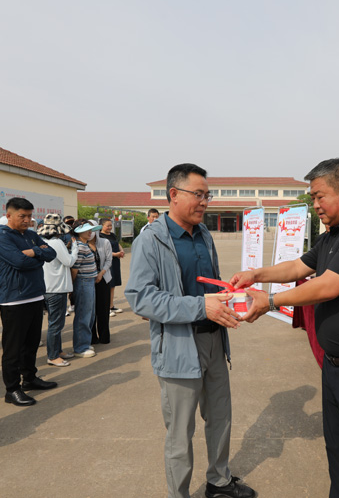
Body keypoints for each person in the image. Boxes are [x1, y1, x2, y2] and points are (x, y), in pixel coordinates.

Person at [230, 158, 339, 497]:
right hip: (338, 367)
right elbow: (298, 266)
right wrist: (256, 274)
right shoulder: (333, 236)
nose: (315, 205)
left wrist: (270, 301)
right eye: (312, 198)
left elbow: (327, 287)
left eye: (319, 196)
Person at [126, 164, 256, 498]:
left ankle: (219, 481)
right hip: (178, 346)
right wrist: (201, 307)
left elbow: (206, 286)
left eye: (207, 195)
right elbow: (140, 298)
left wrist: (229, 294)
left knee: (220, 417)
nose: (204, 202)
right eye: (198, 194)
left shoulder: (204, 235)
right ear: (173, 194)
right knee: (180, 430)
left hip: (214, 341)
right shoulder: (151, 240)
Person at [0, 197, 57, 407]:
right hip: (14, 300)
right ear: (8, 215)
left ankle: (30, 378)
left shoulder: (30, 235)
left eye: (29, 216)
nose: (27, 220)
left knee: (31, 344)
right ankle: (12, 389)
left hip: (35, 296)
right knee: (14, 349)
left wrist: (35, 251)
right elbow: (19, 261)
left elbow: (52, 253)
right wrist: (39, 257)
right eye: (22, 216)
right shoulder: (1, 237)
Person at [38, 214, 79, 367]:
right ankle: (53, 356)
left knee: (55, 323)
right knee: (56, 324)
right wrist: (75, 248)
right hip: (57, 288)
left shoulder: (41, 241)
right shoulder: (57, 242)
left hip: (46, 287)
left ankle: (58, 351)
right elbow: (69, 261)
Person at [70, 219, 101, 358]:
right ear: (79, 232)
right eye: (87, 230)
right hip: (83, 282)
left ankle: (84, 342)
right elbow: (74, 269)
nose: (90, 232)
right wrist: (72, 287)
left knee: (89, 314)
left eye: (90, 230)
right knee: (84, 315)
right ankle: (80, 347)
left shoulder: (83, 244)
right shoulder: (80, 246)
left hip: (88, 282)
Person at [89, 219, 113, 343]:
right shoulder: (82, 244)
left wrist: (101, 274)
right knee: (91, 310)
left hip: (103, 279)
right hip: (88, 281)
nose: (90, 232)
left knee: (103, 309)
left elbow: (109, 260)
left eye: (92, 229)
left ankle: (104, 336)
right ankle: (92, 337)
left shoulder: (105, 242)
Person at [99, 218, 125, 317]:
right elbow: (104, 252)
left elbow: (117, 244)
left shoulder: (112, 235)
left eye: (111, 225)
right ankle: (106, 308)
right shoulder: (100, 236)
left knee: (113, 286)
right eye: (107, 226)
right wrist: (116, 254)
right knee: (107, 285)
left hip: (115, 262)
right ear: (102, 226)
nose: (110, 227)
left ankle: (111, 306)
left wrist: (121, 251)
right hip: (107, 263)